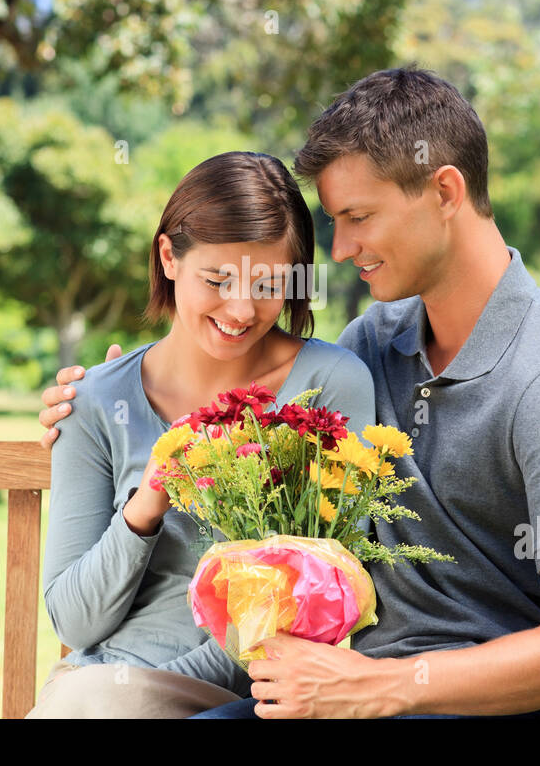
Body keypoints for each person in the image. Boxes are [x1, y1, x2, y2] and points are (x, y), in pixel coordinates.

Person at [40, 68, 540, 719]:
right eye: (334, 221)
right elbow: (255, 370)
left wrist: (385, 685)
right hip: (360, 696)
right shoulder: (375, 344)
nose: (344, 247)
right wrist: (107, 393)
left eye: (358, 217)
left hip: (517, 708)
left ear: (444, 191)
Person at [26, 150, 375, 718]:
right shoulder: (94, 402)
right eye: (217, 279)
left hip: (246, 695)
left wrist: (146, 692)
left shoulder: (328, 387)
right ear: (168, 256)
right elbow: (75, 621)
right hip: (95, 690)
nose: (241, 310)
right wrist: (147, 503)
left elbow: (322, 593)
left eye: (268, 285)